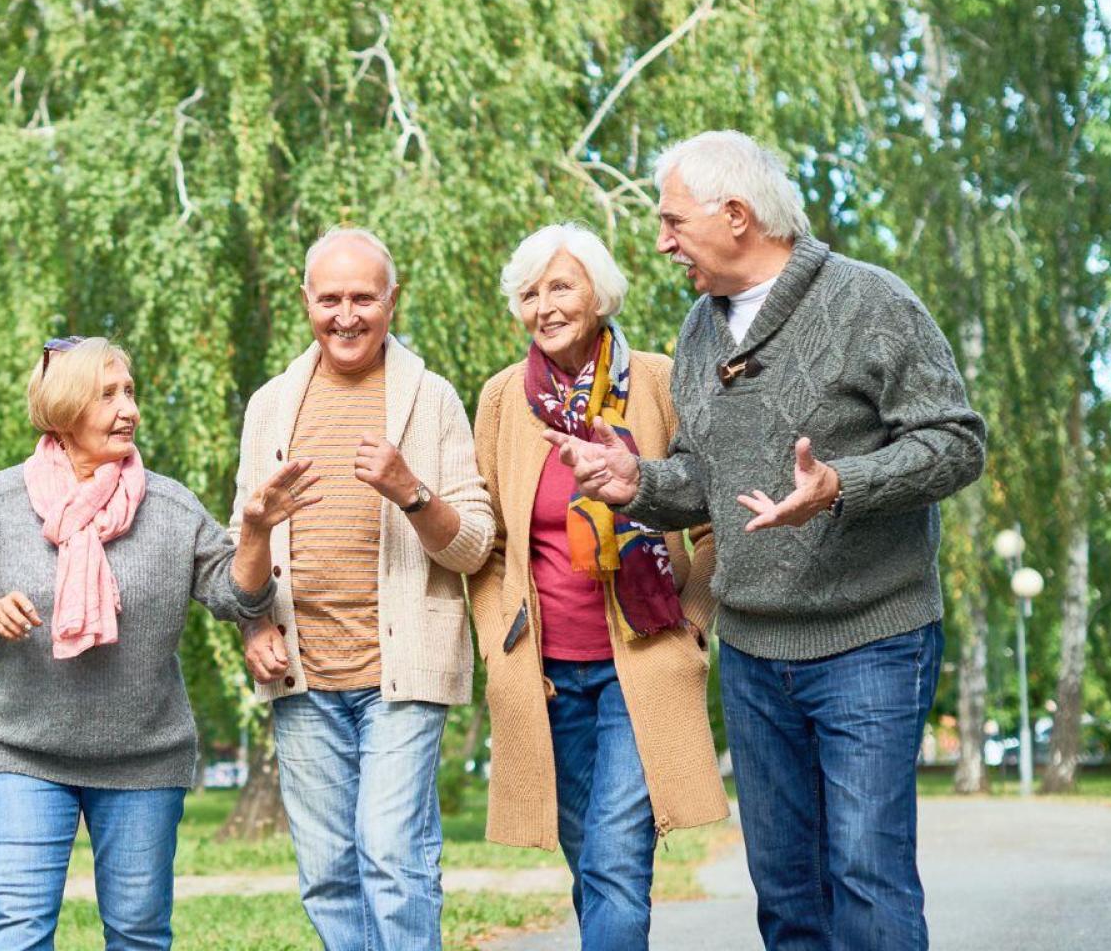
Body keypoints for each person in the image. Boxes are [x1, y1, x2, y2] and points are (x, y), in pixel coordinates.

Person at [548, 131, 987, 951]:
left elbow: (957, 444)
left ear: (737, 216)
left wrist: (841, 486)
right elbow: (701, 481)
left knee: (866, 881)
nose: (661, 241)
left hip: (870, 642)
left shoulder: (871, 303)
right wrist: (636, 482)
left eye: (674, 221)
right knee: (785, 895)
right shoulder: (700, 329)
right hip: (754, 655)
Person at [0, 336, 317, 951]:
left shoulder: (168, 506)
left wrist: (256, 530)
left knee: (138, 935)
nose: (128, 409)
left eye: (130, 392)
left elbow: (236, 598)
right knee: (17, 933)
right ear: (63, 411)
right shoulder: (0, 502)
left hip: (143, 760)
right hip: (22, 754)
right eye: (107, 395)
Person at [232, 228, 494, 951]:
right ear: (306, 300)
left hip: (401, 675)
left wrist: (412, 491)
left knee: (391, 855)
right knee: (325, 872)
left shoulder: (431, 400)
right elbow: (241, 566)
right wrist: (253, 612)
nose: (346, 316)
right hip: (302, 675)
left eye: (362, 299)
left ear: (391, 300)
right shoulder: (271, 406)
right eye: (330, 300)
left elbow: (474, 547)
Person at [469, 223, 729, 950]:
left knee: (615, 856)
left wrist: (694, 623)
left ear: (599, 293)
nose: (544, 306)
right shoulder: (500, 400)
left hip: (641, 663)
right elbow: (487, 546)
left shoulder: (657, 380)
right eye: (529, 293)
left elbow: (712, 522)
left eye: (560, 286)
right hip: (545, 674)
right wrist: (499, 643)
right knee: (588, 863)